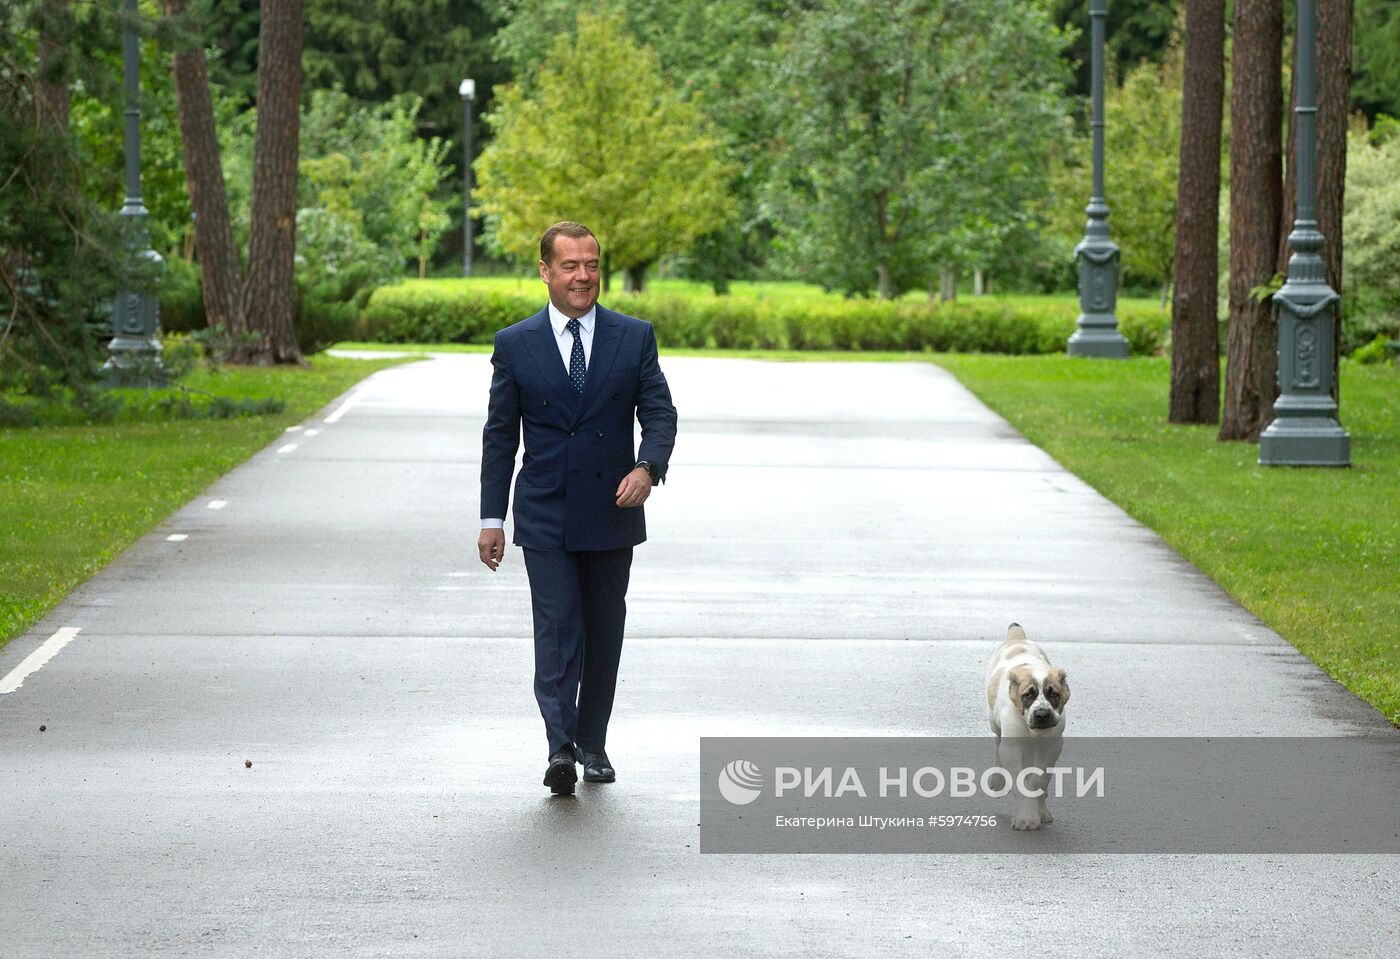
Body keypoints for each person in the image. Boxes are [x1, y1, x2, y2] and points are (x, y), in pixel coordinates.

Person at [477, 221, 677, 796]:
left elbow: (659, 413)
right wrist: (493, 519)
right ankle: (560, 746)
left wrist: (647, 467)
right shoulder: (515, 344)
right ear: (545, 271)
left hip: (611, 511)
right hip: (543, 512)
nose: (583, 276)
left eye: (591, 265)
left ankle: (594, 742)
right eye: (570, 266)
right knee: (558, 628)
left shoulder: (632, 336)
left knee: (602, 630)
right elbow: (500, 436)